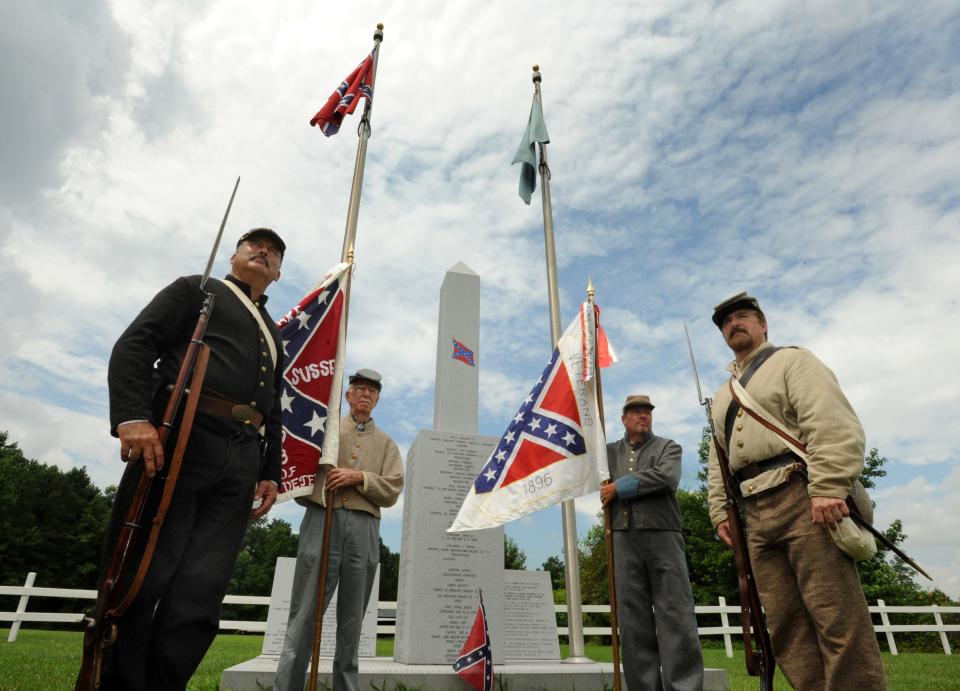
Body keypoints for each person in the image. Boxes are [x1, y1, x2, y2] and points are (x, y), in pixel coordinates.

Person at [96, 228, 287, 690]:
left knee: (201, 592)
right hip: (181, 439)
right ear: (234, 255)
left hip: (241, 456)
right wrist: (133, 417)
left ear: (278, 273)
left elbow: (274, 407)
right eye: (253, 245)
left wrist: (270, 471)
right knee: (144, 575)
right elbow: (136, 344)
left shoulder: (273, 333)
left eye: (274, 251)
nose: (264, 251)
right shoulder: (197, 289)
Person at [706, 291, 886, 690]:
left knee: (834, 613)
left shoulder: (793, 360)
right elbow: (718, 463)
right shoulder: (721, 397)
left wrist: (827, 487)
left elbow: (832, 424)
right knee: (786, 622)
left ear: (762, 323)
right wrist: (720, 512)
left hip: (802, 494)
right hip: (753, 511)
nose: (734, 324)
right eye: (726, 322)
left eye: (742, 316)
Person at [275, 368, 404, 691]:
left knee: (352, 622)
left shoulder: (388, 444)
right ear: (347, 395)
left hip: (364, 528)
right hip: (322, 519)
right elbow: (299, 465)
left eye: (372, 391)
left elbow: (392, 489)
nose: (365, 395)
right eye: (359, 388)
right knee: (304, 613)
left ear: (377, 399)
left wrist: (360, 477)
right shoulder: (326, 430)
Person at [600, 394, 704, 691]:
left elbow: (666, 477)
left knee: (675, 612)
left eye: (646, 412)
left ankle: (683, 687)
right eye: (635, 412)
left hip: (664, 535)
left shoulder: (668, 447)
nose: (642, 416)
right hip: (622, 537)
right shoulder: (607, 453)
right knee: (632, 621)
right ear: (624, 419)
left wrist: (618, 487)